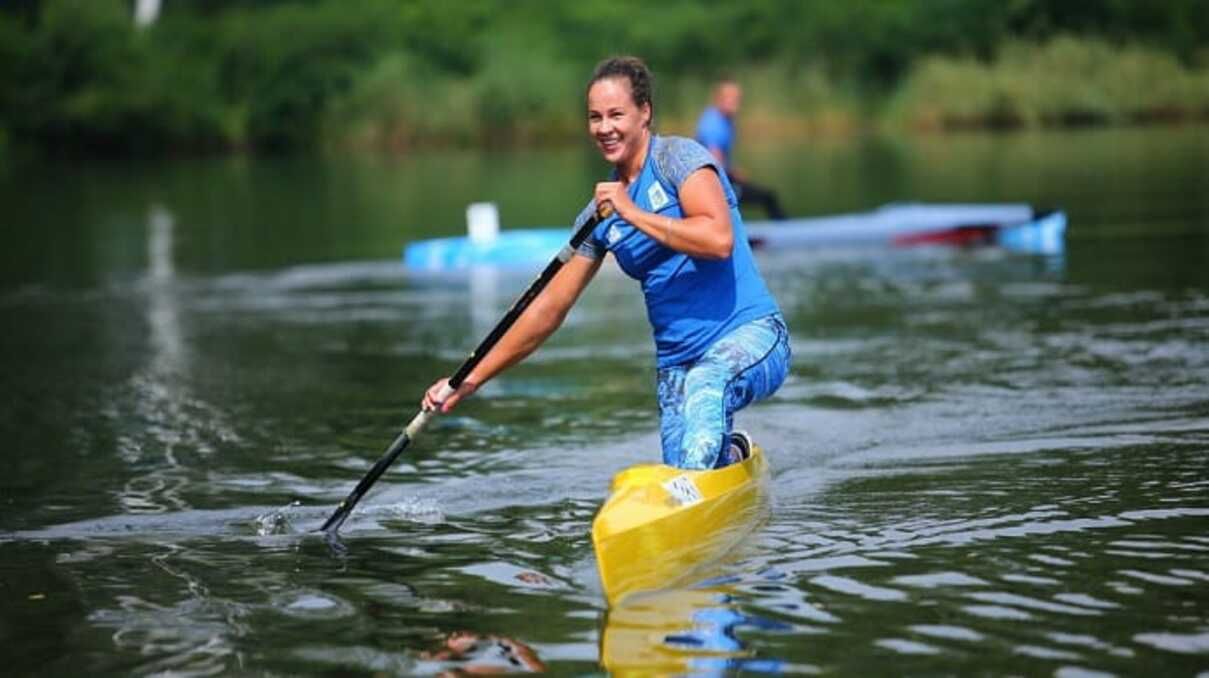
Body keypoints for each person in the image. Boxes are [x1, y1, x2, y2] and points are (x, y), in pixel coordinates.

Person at [423, 56, 790, 471]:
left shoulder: (679, 161)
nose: (604, 128)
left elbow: (718, 240)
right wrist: (471, 379)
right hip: (677, 367)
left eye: (616, 114)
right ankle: (730, 456)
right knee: (687, 462)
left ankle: (709, 466)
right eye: (595, 117)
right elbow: (546, 309)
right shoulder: (597, 217)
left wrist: (631, 212)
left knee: (708, 386)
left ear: (645, 112)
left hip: (753, 336)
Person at [695, 78, 787, 220]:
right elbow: (715, 163)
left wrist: (733, 171)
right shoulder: (713, 124)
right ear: (717, 99)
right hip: (711, 185)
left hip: (717, 179)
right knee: (768, 197)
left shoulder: (721, 119)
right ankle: (785, 233)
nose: (735, 102)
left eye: (737, 98)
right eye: (729, 98)